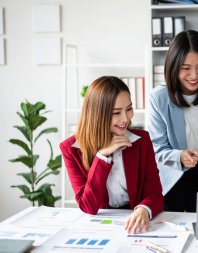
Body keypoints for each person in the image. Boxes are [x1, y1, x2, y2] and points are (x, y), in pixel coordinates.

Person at [60, 76, 164, 234]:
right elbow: (88, 206)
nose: (126, 118)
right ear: (96, 114)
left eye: (129, 109)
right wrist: (102, 156)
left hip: (138, 225)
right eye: (116, 112)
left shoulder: (141, 141)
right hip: (101, 227)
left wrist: (143, 209)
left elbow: (155, 194)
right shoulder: (71, 149)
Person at [148, 30, 198, 212]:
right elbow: (156, 149)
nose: (194, 75)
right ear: (173, 66)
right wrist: (179, 156)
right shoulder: (158, 98)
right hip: (174, 174)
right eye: (185, 68)